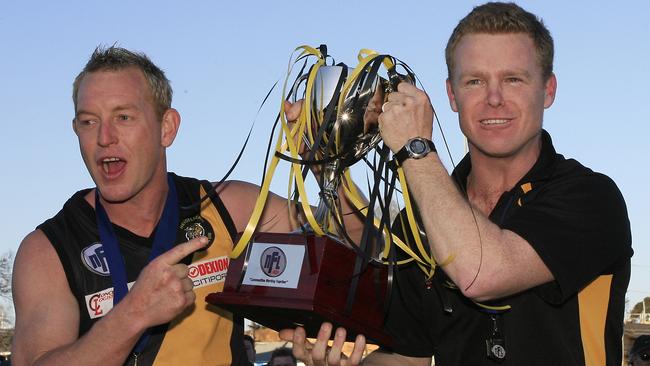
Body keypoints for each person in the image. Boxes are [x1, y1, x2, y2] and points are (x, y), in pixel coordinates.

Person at [282, 2, 632, 365]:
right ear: (451, 95)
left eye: (513, 78)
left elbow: (482, 272)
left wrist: (415, 147)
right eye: (475, 81)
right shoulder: (417, 223)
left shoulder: (591, 198)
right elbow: (408, 357)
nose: (494, 98)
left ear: (547, 90)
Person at [11, 46, 354, 366]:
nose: (104, 138)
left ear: (167, 128)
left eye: (124, 117)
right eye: (88, 121)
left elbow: (354, 243)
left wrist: (327, 162)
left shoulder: (227, 206)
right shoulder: (47, 251)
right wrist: (133, 314)